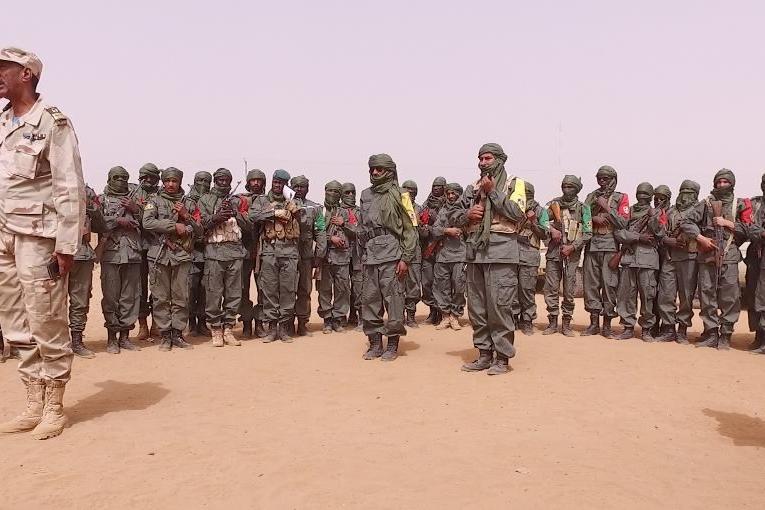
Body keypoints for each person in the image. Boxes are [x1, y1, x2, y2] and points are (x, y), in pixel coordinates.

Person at [0, 47, 86, 440]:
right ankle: (33, 400)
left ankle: (54, 405)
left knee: (46, 320)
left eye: (4, 68)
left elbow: (69, 185)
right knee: (15, 322)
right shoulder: (3, 122)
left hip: (38, 237)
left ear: (27, 74)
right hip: (3, 236)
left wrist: (66, 246)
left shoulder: (53, 122)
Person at [459, 143, 527, 375]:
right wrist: (467, 215)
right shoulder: (472, 187)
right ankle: (484, 354)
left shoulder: (514, 184)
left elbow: (517, 214)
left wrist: (493, 192)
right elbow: (453, 215)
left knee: (500, 307)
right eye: (480, 159)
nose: (483, 162)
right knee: (477, 309)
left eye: (488, 158)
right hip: (475, 253)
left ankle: (502, 358)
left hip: (501, 253)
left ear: (499, 160)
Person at [681, 169, 754, 349]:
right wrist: (701, 238)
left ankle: (726, 334)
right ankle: (711, 332)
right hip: (707, 255)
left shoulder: (740, 204)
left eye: (725, 182)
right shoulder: (706, 203)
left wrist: (727, 223)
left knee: (730, 297)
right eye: (718, 182)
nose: (721, 185)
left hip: (729, 256)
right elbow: (686, 222)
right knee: (707, 295)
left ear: (732, 183)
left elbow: (750, 229)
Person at [359, 154, 417, 361]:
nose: (375, 172)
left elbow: (411, 229)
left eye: (379, 169)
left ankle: (392, 344)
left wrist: (406, 258)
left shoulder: (402, 195)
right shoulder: (365, 194)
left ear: (390, 171)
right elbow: (362, 226)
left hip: (392, 254)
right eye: (372, 169)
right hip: (370, 255)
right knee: (370, 300)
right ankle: (375, 344)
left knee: (394, 301)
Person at [142, 167, 202, 351]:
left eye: (174, 181)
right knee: (160, 297)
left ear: (179, 182)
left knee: (181, 296)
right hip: (159, 255)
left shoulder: (189, 203)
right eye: (167, 180)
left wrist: (185, 216)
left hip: (181, 255)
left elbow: (199, 230)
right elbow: (147, 222)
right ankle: (165, 335)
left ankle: (177, 334)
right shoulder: (154, 201)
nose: (170, 184)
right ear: (163, 181)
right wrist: (174, 226)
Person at [198, 168, 251, 347]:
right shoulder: (205, 199)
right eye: (220, 180)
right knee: (213, 293)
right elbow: (199, 225)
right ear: (215, 181)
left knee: (234, 293)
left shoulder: (238, 200)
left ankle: (228, 329)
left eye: (226, 180)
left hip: (235, 252)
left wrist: (236, 213)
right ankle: (215, 329)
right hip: (214, 252)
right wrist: (216, 218)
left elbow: (250, 225)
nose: (223, 183)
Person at [250, 170, 301, 342]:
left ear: (286, 184)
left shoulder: (294, 200)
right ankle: (272, 328)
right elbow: (253, 216)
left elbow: (305, 223)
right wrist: (273, 213)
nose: (278, 185)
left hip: (289, 251)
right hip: (269, 251)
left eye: (281, 183)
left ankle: (284, 328)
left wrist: (297, 212)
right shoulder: (262, 200)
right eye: (275, 182)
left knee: (288, 290)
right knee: (269, 290)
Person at [98, 166, 143, 353]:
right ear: (109, 179)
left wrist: (135, 210)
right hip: (111, 254)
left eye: (124, 178)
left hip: (132, 254)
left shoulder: (135, 199)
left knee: (130, 297)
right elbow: (96, 223)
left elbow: (149, 223)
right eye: (116, 177)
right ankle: (111, 338)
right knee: (110, 298)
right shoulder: (102, 199)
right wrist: (117, 221)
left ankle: (125, 337)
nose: (121, 181)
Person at [581, 166, 630, 338]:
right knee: (591, 285)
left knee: (609, 285)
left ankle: (607, 325)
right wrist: (593, 218)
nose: (602, 181)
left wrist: (607, 209)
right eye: (599, 178)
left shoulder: (621, 197)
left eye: (606, 178)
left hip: (610, 246)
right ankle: (594, 323)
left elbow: (623, 223)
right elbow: (582, 216)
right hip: (593, 245)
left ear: (613, 179)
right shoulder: (591, 196)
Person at [613, 183, 665, 341]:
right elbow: (619, 233)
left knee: (648, 296)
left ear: (651, 196)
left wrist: (653, 217)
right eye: (640, 193)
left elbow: (660, 233)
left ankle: (646, 330)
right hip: (629, 258)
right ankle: (628, 327)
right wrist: (638, 237)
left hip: (647, 261)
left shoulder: (657, 212)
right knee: (626, 295)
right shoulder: (629, 211)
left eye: (645, 193)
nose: (642, 196)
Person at [543, 175, 592, 336]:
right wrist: (552, 230)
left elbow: (588, 233)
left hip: (571, 256)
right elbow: (541, 220)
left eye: (570, 187)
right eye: (564, 186)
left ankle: (566, 323)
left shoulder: (583, 208)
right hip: (554, 252)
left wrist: (572, 247)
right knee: (551, 288)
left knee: (569, 290)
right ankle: (552, 322)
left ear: (577, 189)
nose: (566, 189)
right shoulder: (554, 204)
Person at [655, 180, 701, 344]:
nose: (685, 195)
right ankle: (668, 328)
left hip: (689, 258)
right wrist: (668, 240)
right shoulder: (670, 211)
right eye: (683, 191)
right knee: (666, 294)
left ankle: (682, 329)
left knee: (686, 296)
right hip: (670, 258)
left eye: (690, 192)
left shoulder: (699, 210)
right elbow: (659, 232)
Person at [69, 185, 106, 358]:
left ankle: (77, 341)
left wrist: (90, 206)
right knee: (53, 301)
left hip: (82, 255)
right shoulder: (50, 186)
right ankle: (56, 342)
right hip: (55, 253)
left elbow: (101, 225)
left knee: (80, 300)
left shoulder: (87, 191)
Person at [291, 175, 326, 337]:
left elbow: (320, 231)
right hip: (288, 254)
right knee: (287, 289)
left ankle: (302, 323)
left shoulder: (315, 208)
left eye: (302, 186)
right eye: (296, 186)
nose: (299, 189)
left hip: (306, 255)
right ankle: (287, 323)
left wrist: (319, 255)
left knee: (304, 289)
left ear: (307, 188)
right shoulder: (285, 205)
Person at [318, 180, 353, 332]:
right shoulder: (319, 211)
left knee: (342, 289)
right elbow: (315, 232)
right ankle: (327, 319)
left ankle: (338, 318)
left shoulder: (344, 212)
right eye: (330, 190)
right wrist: (330, 238)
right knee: (324, 289)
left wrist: (344, 223)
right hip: (325, 257)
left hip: (342, 257)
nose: (332, 194)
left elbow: (357, 231)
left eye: (336, 191)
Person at [514, 182, 549, 335]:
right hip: (512, 254)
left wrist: (534, 221)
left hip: (529, 254)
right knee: (512, 289)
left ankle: (527, 320)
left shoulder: (541, 211)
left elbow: (545, 234)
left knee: (527, 289)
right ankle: (513, 318)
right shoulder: (514, 208)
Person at [432, 183, 467, 331]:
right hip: (443, 255)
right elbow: (434, 230)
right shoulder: (442, 211)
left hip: (460, 255)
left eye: (454, 193)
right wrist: (447, 230)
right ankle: (445, 316)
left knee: (459, 287)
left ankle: (455, 316)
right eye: (449, 194)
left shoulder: (466, 210)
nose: (451, 196)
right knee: (442, 287)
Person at [134, 162, 161, 341]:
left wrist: (138, 209)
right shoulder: (133, 193)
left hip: (156, 246)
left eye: (152, 177)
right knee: (140, 288)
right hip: (137, 248)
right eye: (145, 177)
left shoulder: (161, 195)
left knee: (158, 287)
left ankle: (157, 323)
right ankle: (142, 323)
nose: (148, 180)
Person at [238, 169, 266, 338]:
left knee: (264, 290)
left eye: (259, 180)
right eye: (253, 180)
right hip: (243, 252)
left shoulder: (267, 200)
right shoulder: (240, 200)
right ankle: (246, 322)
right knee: (243, 290)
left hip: (263, 253)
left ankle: (260, 322)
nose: (256, 183)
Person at [186, 171, 212, 337]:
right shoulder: (187, 201)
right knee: (190, 289)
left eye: (206, 181)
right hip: (191, 252)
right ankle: (191, 322)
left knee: (206, 289)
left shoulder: (212, 200)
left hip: (209, 252)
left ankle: (202, 322)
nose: (203, 184)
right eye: (200, 180)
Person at [419, 177, 447, 325]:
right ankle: (432, 311)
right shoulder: (426, 204)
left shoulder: (448, 204)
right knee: (427, 282)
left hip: (443, 248)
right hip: (428, 249)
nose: (436, 188)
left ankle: (442, 312)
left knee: (441, 283)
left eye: (439, 186)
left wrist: (433, 226)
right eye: (434, 185)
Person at [744, 174, 765, 350]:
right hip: (755, 257)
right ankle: (759, 336)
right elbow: (748, 226)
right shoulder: (755, 204)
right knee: (753, 296)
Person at [401, 180, 423, 327]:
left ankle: (411, 315)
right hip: (399, 252)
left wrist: (419, 223)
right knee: (398, 286)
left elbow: (424, 232)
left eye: (412, 190)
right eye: (407, 190)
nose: (409, 193)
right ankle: (399, 315)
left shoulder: (420, 209)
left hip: (415, 253)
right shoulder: (397, 208)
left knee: (413, 286)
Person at [341, 182, 363, 330]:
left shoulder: (361, 212)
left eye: (353, 192)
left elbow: (361, 230)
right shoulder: (336, 211)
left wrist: (345, 224)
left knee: (358, 286)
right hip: (340, 255)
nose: (350, 195)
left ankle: (360, 317)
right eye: (347, 192)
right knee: (342, 287)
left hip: (358, 255)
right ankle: (344, 316)